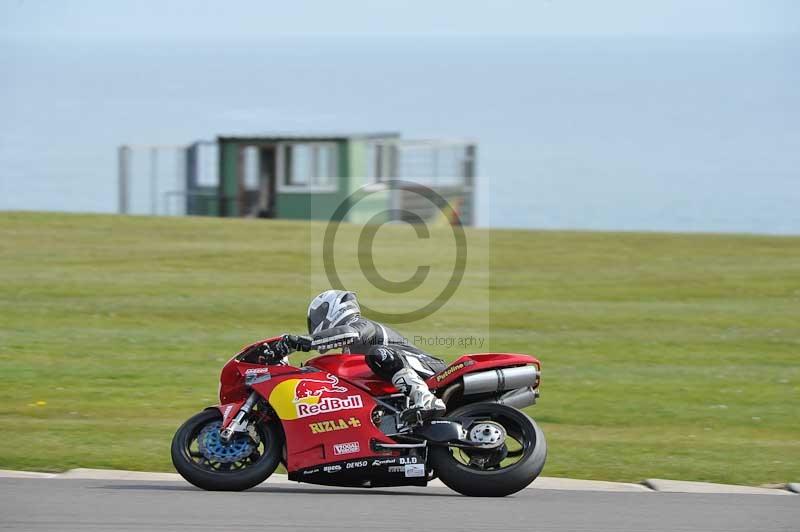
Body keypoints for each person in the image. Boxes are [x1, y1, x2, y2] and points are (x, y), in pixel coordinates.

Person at [263, 290, 447, 417]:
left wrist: (305, 341)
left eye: (319, 315)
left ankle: (426, 400)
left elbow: (348, 333)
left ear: (333, 309)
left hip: (431, 368)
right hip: (409, 380)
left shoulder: (362, 325)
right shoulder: (349, 352)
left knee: (378, 354)